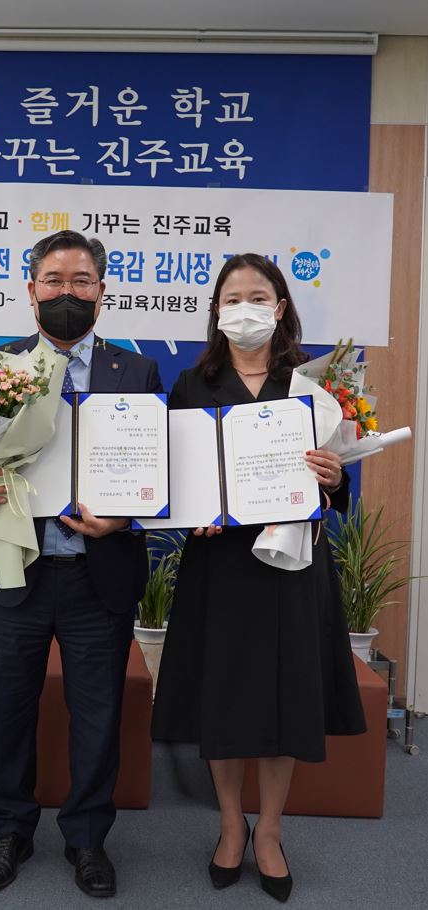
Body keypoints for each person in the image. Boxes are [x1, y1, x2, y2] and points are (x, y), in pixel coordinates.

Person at [0, 230, 162, 899]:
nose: (68, 292)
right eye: (54, 280)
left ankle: (87, 837)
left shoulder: (138, 373)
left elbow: (158, 470)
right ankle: (9, 830)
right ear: (31, 290)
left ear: (102, 291)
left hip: (100, 572)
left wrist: (124, 516)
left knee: (97, 714)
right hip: (16, 569)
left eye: (80, 281)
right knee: (7, 710)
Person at [151, 253, 366, 903]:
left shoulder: (313, 385)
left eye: (257, 297)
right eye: (231, 298)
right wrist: (191, 513)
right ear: (216, 311)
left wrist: (333, 476)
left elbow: (336, 483)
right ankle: (229, 824)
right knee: (221, 695)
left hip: (291, 565)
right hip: (219, 566)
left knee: (284, 696)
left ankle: (269, 829)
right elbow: (176, 478)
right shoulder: (192, 385)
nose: (244, 308)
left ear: (280, 307)